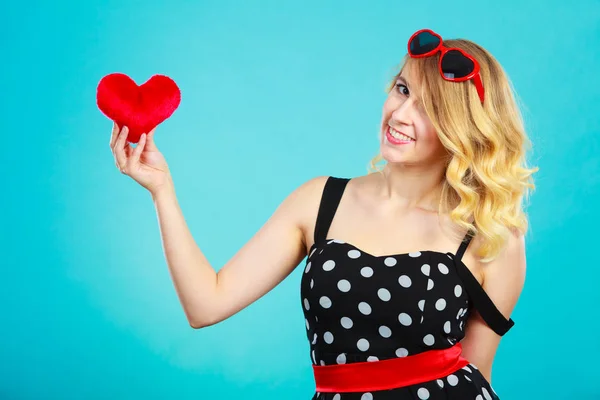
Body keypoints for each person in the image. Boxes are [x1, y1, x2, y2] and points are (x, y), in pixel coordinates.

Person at [109, 28, 537, 400]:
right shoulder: (319, 201)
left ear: (463, 129)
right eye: (403, 90)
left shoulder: (491, 236)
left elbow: (477, 374)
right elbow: (205, 304)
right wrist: (161, 190)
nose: (401, 114)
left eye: (430, 109)